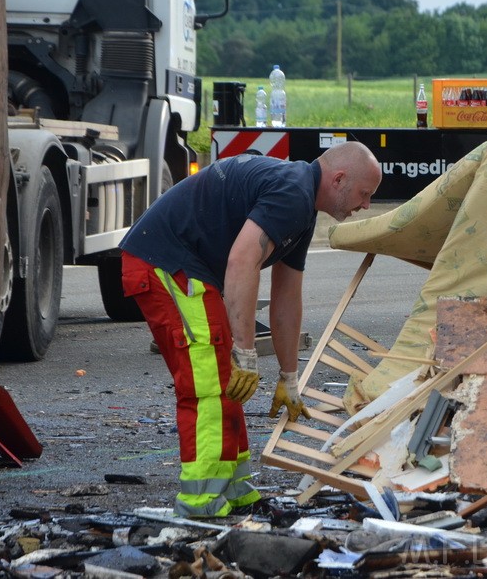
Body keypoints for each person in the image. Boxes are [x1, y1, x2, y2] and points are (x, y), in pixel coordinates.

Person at [119, 142, 382, 517]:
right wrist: (245, 351)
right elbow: (242, 260)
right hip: (165, 263)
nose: (366, 205)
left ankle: (235, 489)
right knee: (209, 384)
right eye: (365, 194)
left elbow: (287, 297)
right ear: (339, 179)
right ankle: (201, 502)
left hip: (186, 266)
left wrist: (288, 376)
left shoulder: (302, 207)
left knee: (228, 381)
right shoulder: (293, 193)